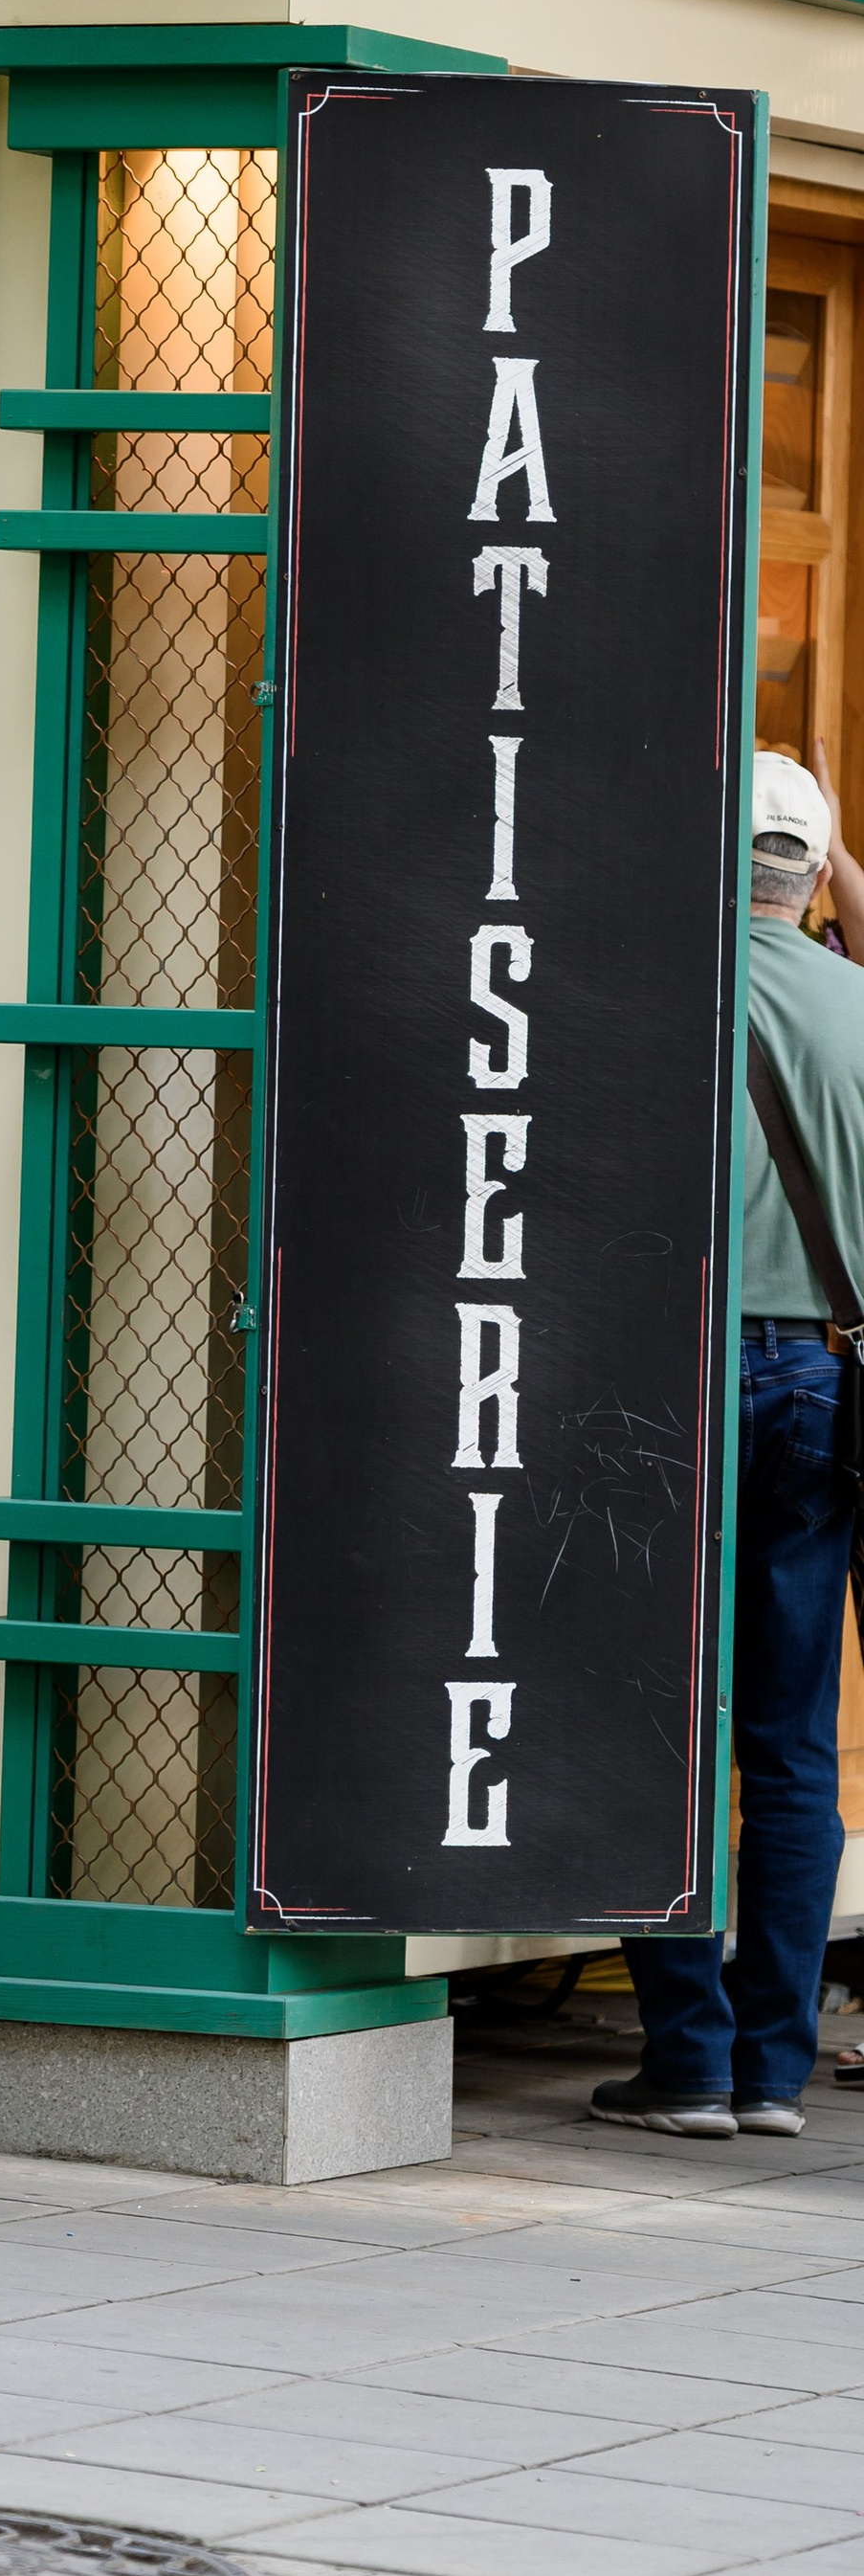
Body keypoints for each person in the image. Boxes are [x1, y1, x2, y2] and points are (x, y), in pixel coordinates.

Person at [595, 745, 864, 2139]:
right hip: (827, 1376)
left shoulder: (657, 999)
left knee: (654, 1716)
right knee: (793, 1739)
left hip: (669, 1379)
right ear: (816, 874)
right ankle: (775, 2076)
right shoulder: (861, 1009)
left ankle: (688, 2060)